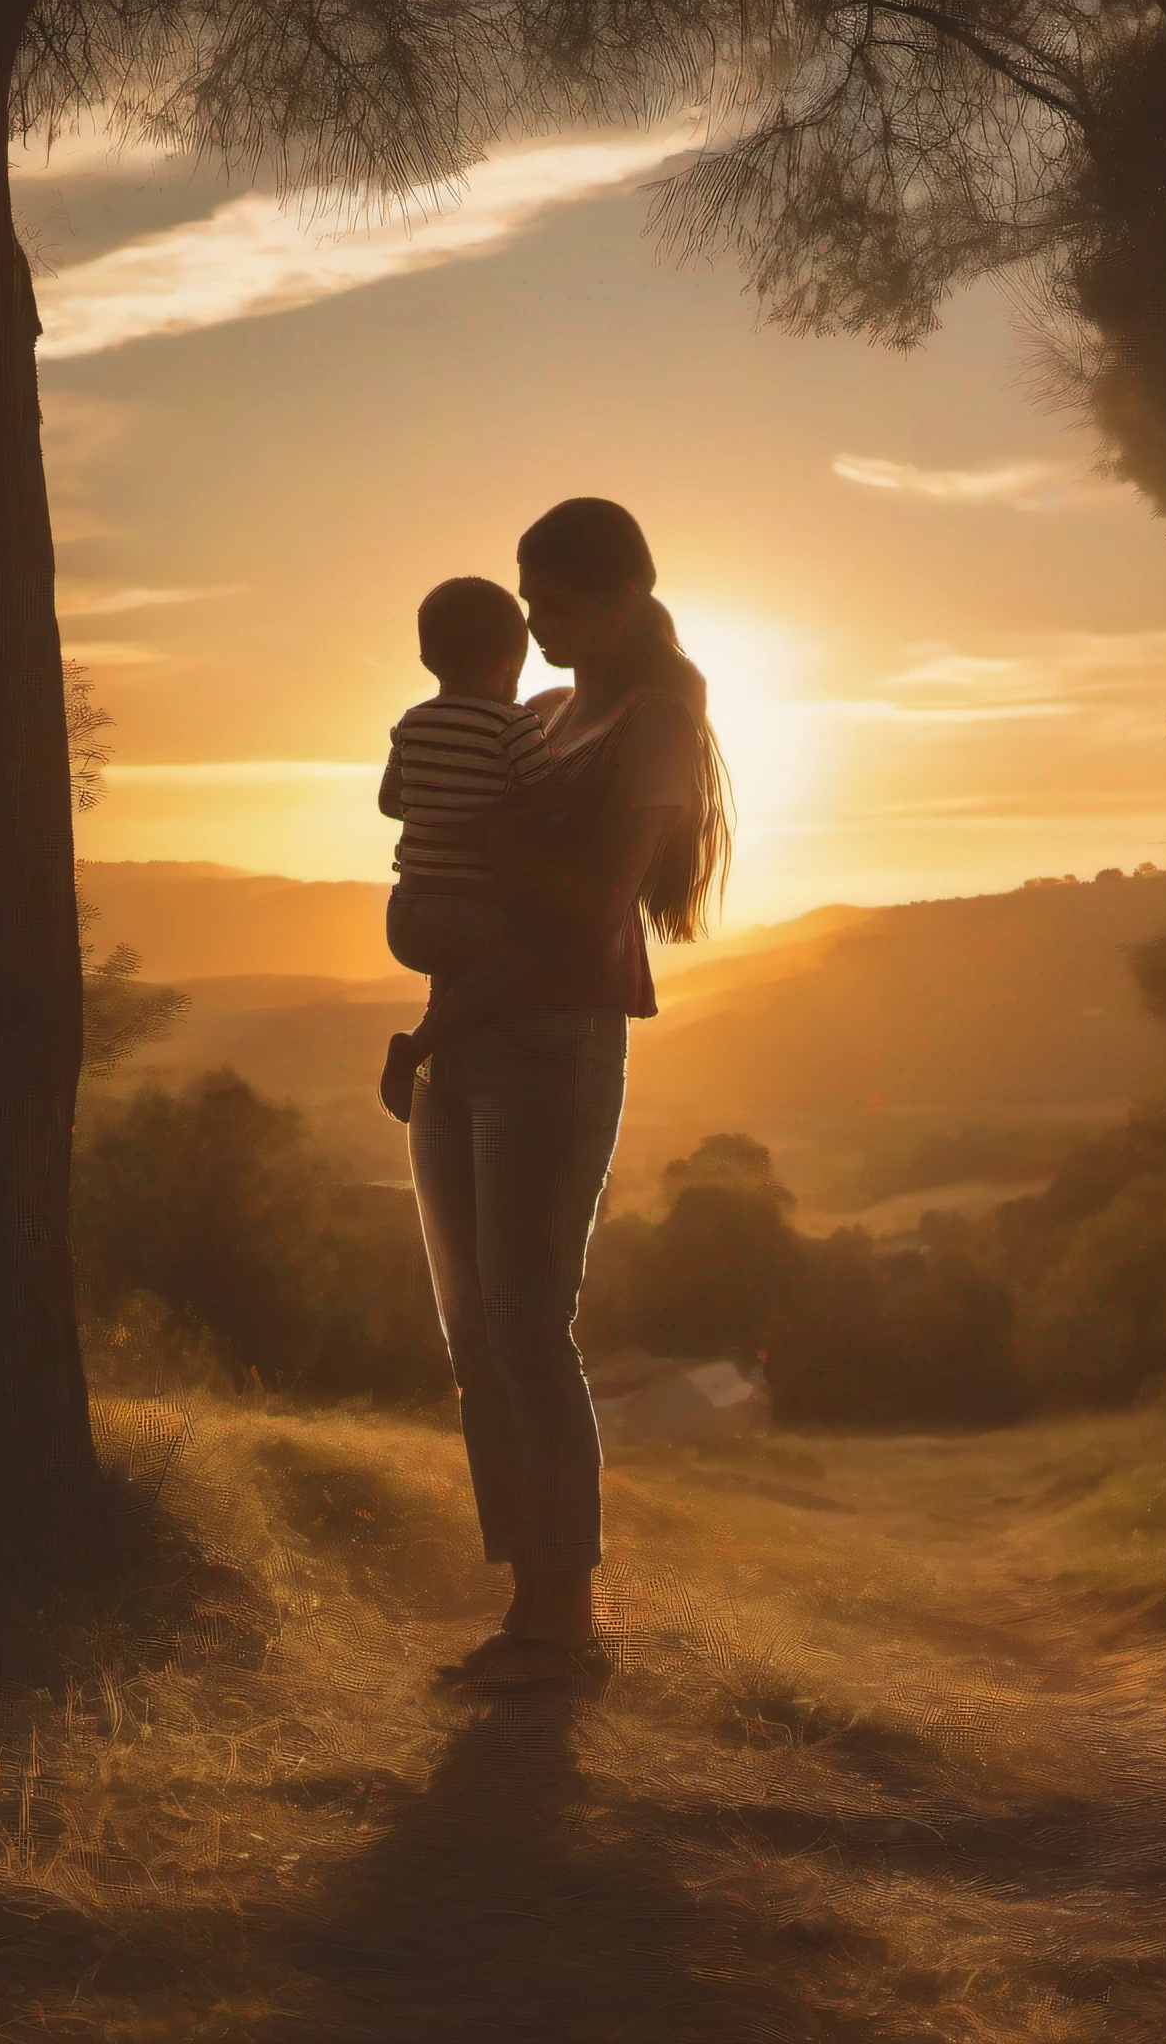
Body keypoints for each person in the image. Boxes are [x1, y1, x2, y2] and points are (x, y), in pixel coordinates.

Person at [408, 498, 733, 1695]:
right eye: (526, 598)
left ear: (616, 600)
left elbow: (596, 905)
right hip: (465, 1027)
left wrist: (478, 825)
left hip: (553, 1039)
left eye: (550, 602)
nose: (532, 623)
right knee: (472, 1336)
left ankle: (565, 1617)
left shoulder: (653, 725)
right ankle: (524, 1601)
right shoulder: (542, 713)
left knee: (527, 1326)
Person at [376, 577, 557, 1123]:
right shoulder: (515, 725)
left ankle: (435, 1089)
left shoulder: (410, 723)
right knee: (523, 963)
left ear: (429, 656)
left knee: (456, 981)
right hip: (468, 911)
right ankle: (416, 1046)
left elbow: (390, 802)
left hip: (405, 914)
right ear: (510, 664)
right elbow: (547, 803)